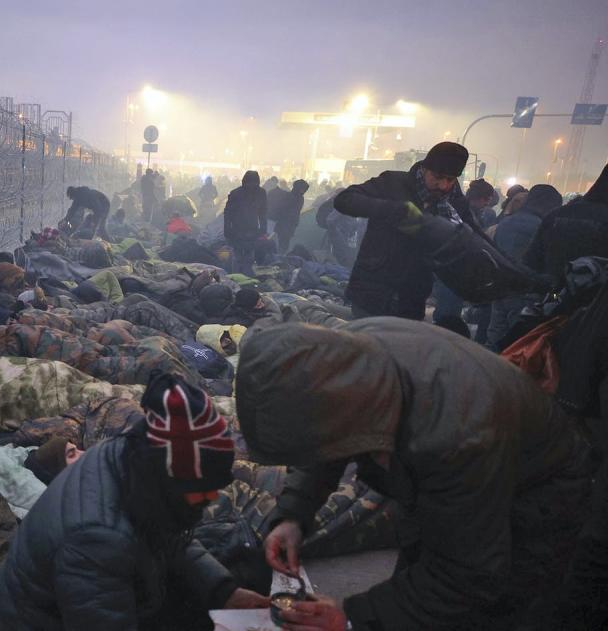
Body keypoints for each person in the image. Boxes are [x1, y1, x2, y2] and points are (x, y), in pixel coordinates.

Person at [236, 318, 592, 629]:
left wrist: (351, 615)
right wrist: (294, 515)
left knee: (496, 606)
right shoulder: (340, 358)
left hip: (537, 492)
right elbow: (322, 441)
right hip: (459, 470)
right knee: (414, 591)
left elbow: (468, 573)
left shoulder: (457, 435)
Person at [0, 373, 269, 630]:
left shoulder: (128, 456)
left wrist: (223, 591)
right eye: (204, 489)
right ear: (175, 480)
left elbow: (168, 536)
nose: (211, 498)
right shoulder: (97, 539)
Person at [334, 141, 483, 319]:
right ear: (425, 169)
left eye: (450, 179)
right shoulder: (392, 182)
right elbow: (345, 200)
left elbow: (474, 236)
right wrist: (393, 210)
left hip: (412, 300)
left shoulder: (455, 202)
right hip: (373, 294)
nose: (443, 185)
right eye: (438, 176)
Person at [486, 184, 563, 350]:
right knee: (517, 344)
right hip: (526, 292)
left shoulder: (505, 223)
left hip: (501, 290)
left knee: (495, 338)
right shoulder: (543, 226)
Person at [223, 170, 267, 276]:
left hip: (252, 230)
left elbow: (263, 212)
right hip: (237, 230)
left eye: (254, 182)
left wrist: (263, 229)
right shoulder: (236, 193)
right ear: (245, 182)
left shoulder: (261, 193)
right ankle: (237, 277)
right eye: (250, 182)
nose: (252, 185)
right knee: (237, 256)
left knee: (249, 257)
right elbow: (228, 213)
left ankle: (245, 278)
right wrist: (227, 230)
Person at [270, 179, 308, 254]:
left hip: (286, 223)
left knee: (283, 242)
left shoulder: (292, 196)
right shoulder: (298, 197)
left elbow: (282, 208)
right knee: (283, 242)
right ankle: (281, 255)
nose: (303, 191)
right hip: (288, 223)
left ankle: (280, 255)